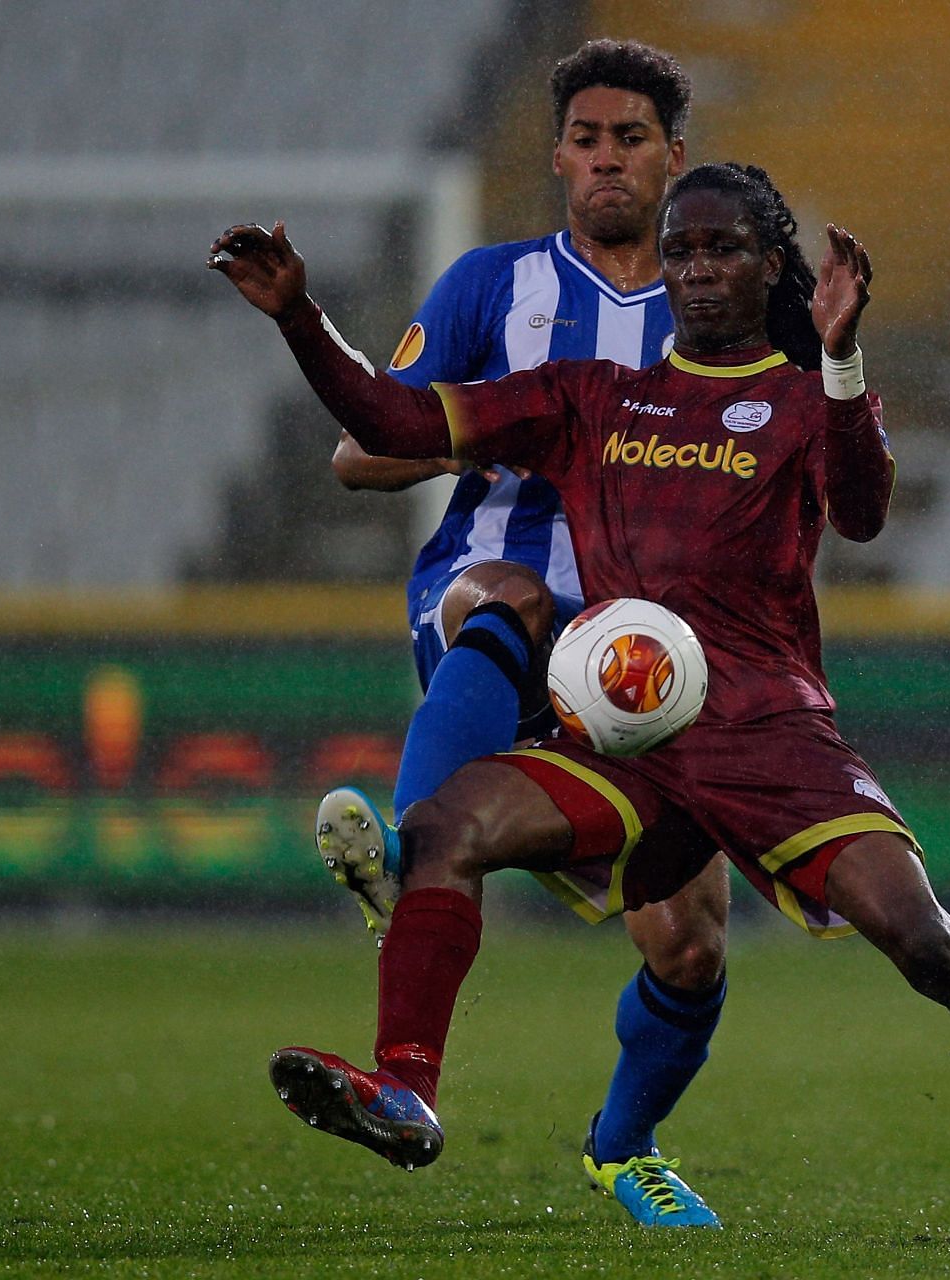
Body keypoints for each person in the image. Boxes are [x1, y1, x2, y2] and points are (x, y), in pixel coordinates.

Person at [214, 163, 950, 1245]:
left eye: (723, 247)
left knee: (931, 947)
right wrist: (301, 318)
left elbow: (867, 511)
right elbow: (391, 415)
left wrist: (839, 359)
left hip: (768, 733)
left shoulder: (800, 397)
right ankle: (406, 1088)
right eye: (682, 249)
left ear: (771, 265)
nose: (696, 268)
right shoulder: (589, 395)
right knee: (447, 823)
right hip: (628, 736)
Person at [209, 40, 727, 1228]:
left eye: (631, 140)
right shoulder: (492, 289)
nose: (606, 160)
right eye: (587, 140)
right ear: (557, 155)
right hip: (489, 613)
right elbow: (358, 453)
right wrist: (496, 434)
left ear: (672, 159)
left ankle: (623, 1146)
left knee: (689, 945)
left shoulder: (723, 307)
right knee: (500, 591)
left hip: (644, 654)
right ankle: (404, 1018)